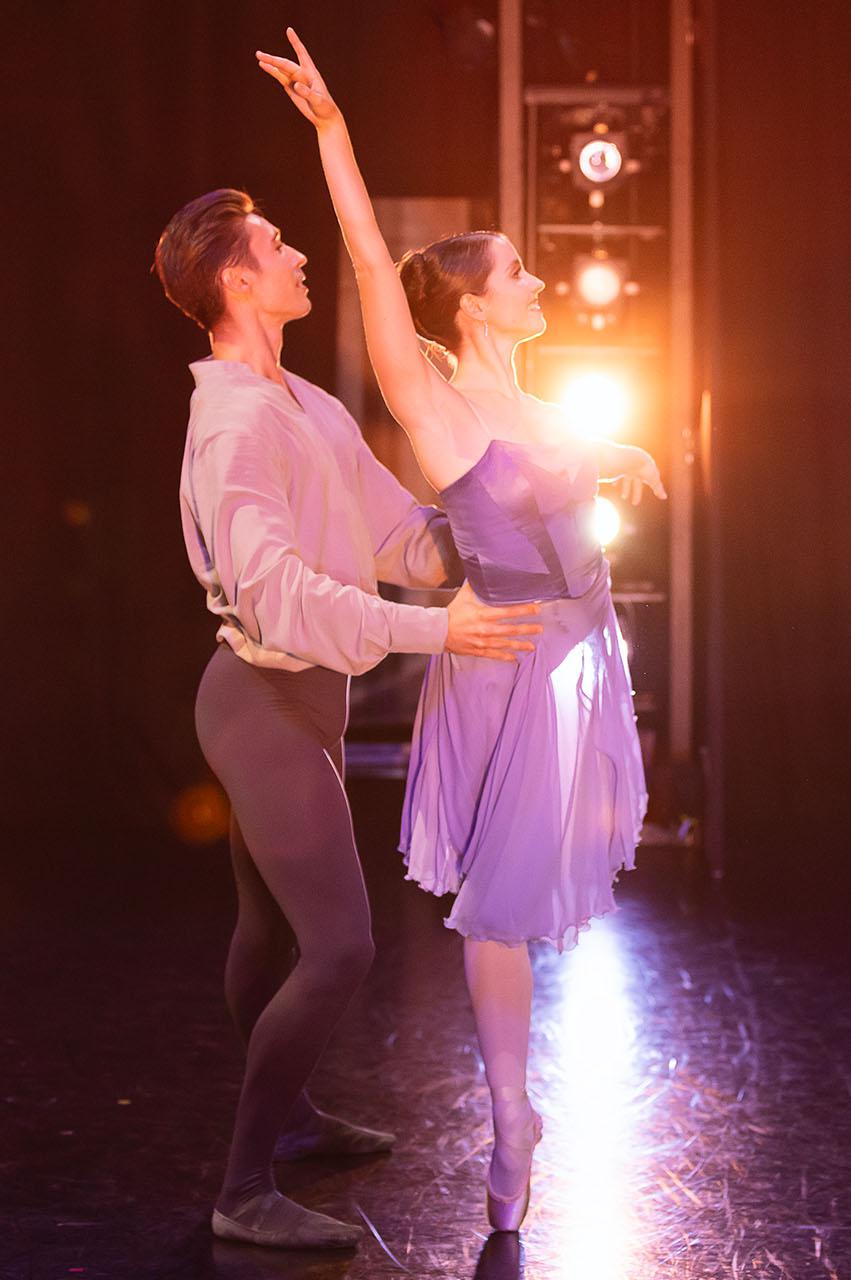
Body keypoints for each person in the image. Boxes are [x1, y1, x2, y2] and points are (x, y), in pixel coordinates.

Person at [257, 30, 663, 1233]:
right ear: (477, 300)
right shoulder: (432, 401)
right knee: (499, 908)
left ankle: (511, 1107)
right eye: (522, 273)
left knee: (526, 900)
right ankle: (508, 1110)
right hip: (512, 661)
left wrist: (625, 455)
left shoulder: (540, 401)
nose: (541, 283)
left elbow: (571, 459)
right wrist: (333, 134)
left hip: (588, 656)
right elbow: (377, 267)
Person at [155, 187, 545, 1249]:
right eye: (276, 245)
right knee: (340, 946)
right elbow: (277, 594)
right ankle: (243, 1189)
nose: (296, 255)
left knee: (269, 927)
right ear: (238, 280)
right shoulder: (232, 421)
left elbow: (399, 539)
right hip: (260, 703)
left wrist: (493, 516)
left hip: (301, 698)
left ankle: (293, 1119)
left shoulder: (309, 408)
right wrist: (440, 634)